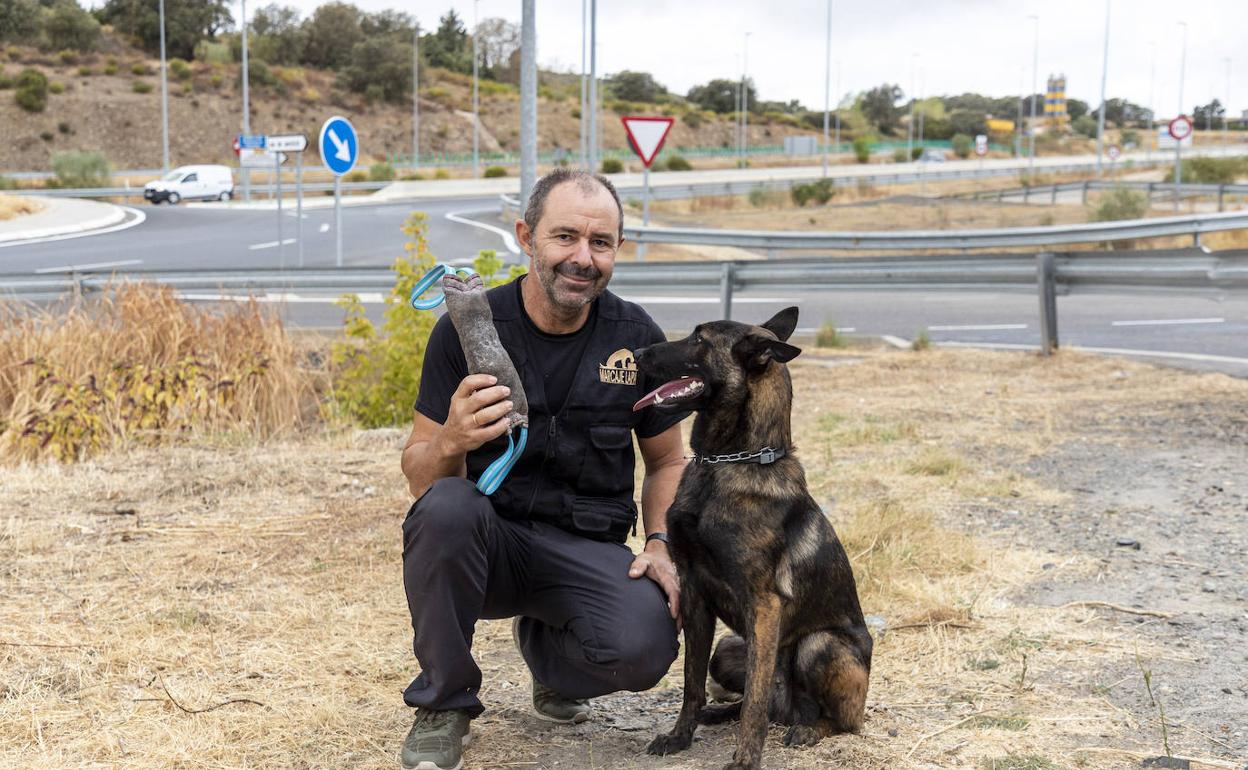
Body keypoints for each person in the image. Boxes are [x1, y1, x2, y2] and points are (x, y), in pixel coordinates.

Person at [397, 168, 689, 770]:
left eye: (600, 243)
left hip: (584, 551)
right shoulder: (466, 329)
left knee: (645, 648)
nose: (582, 258)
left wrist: (661, 543)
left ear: (617, 251)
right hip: (488, 548)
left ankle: (553, 659)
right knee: (447, 507)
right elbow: (419, 476)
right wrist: (452, 437)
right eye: (564, 238)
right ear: (526, 236)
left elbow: (668, 461)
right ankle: (445, 702)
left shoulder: (637, 340)